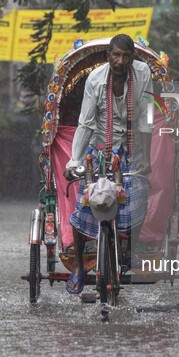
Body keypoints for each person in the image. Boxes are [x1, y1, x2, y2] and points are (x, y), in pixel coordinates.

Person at [63, 34, 153, 294]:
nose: (120, 61)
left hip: (131, 145)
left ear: (132, 58)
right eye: (116, 55)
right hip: (100, 148)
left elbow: (146, 118)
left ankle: (127, 250)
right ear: (108, 56)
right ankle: (80, 267)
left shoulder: (143, 73)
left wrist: (145, 158)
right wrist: (75, 161)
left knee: (139, 195)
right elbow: (86, 123)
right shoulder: (96, 79)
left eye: (125, 56)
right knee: (84, 206)